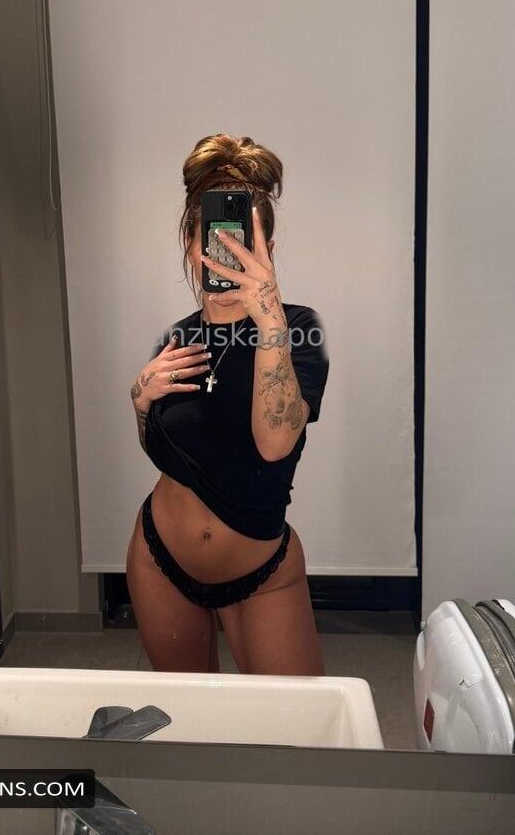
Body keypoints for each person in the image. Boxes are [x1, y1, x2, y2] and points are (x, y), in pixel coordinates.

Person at [126, 133, 329, 674]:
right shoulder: (177, 339)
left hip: (261, 572)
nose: (227, 259)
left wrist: (269, 316)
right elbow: (167, 451)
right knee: (189, 716)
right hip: (159, 559)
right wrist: (141, 401)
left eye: (243, 246)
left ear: (268, 252)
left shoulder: (298, 329)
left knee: (295, 721)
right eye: (215, 244)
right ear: (192, 245)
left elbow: (275, 443)